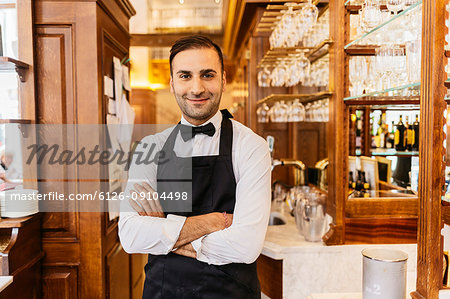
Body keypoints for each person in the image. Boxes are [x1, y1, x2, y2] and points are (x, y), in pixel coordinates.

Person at [118, 35, 271, 299]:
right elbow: (131, 235)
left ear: (223, 80)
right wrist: (214, 221)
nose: (197, 88)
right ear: (172, 83)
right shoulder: (148, 147)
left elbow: (246, 246)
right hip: (163, 291)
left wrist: (166, 232)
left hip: (232, 293)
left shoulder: (252, 147)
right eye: (185, 75)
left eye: (207, 75)